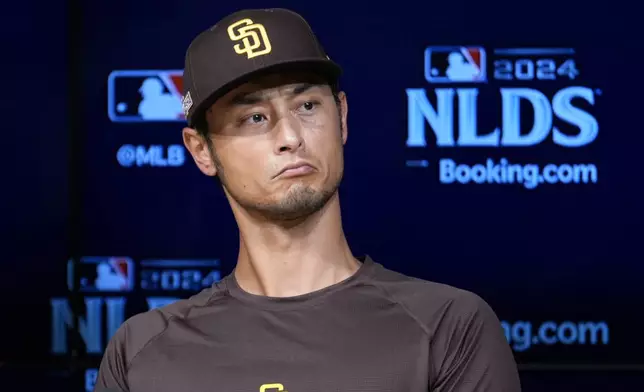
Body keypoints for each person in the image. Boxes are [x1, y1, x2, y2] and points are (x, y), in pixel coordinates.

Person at [94, 8, 521, 392]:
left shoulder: (447, 328)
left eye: (308, 106)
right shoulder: (143, 353)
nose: (291, 137)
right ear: (201, 150)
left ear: (342, 117)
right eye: (254, 117)